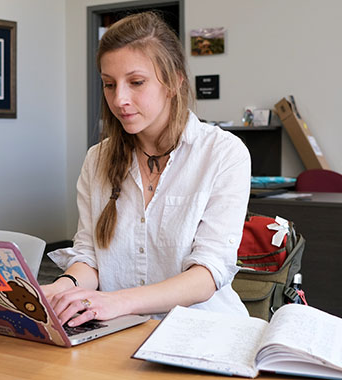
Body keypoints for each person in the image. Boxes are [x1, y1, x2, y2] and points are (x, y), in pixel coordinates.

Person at [44, 11, 251, 327]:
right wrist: (63, 289)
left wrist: (116, 302)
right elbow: (89, 258)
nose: (119, 99)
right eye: (109, 85)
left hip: (204, 333)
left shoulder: (223, 154)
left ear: (173, 82)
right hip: (119, 332)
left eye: (136, 82)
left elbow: (207, 275)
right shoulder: (96, 160)